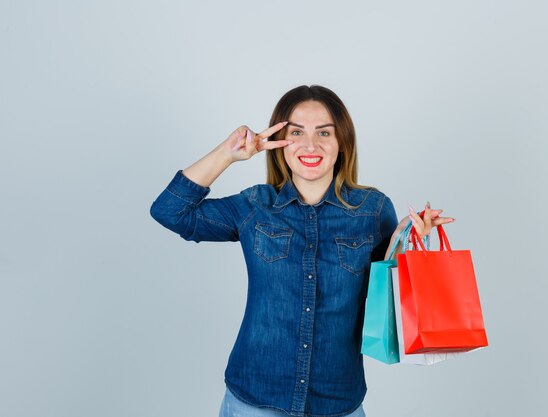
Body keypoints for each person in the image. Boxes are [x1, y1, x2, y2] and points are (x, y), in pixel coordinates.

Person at [149, 85, 455, 417]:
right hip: (255, 398)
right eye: (297, 132)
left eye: (324, 132)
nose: (311, 145)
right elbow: (170, 211)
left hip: (337, 401)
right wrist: (229, 152)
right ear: (281, 144)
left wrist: (405, 244)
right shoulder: (256, 205)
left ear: (342, 142)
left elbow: (382, 303)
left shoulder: (373, 210)